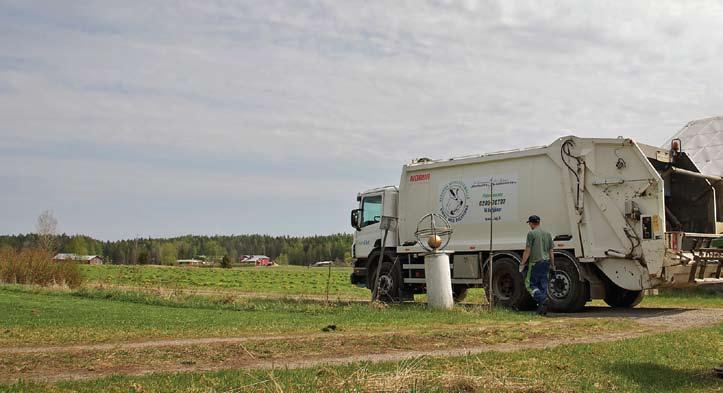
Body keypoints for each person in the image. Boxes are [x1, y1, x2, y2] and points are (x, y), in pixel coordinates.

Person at [519, 215, 555, 315]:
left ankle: (542, 299)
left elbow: (528, 250)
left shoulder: (531, 234)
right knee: (542, 286)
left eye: (529, 223)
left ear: (531, 223)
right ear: (539, 222)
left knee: (530, 285)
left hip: (535, 263)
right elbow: (551, 251)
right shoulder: (547, 234)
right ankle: (542, 310)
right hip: (546, 263)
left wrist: (522, 263)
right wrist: (552, 265)